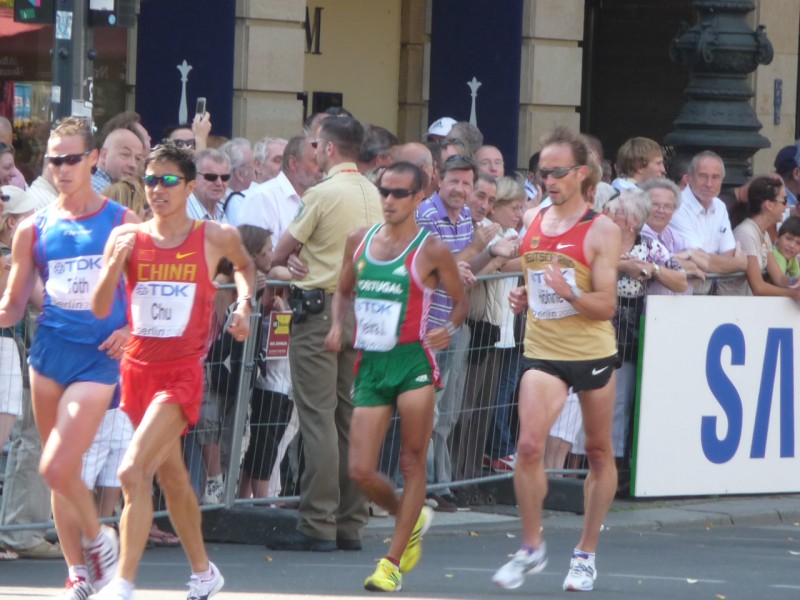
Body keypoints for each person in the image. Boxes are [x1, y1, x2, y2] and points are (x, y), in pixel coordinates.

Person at [89, 141, 255, 599]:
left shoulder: (214, 236)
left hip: (181, 376)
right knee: (174, 478)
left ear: (188, 186)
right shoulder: (127, 237)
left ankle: (122, 582)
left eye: (167, 181)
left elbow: (245, 265)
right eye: (150, 180)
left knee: (131, 470)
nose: (157, 189)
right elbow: (100, 307)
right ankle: (204, 573)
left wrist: (243, 305)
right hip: (136, 373)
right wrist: (114, 264)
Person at [0, 117, 138, 598]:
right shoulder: (33, 228)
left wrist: (130, 328)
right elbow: (13, 306)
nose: (61, 168)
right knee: (62, 471)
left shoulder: (122, 221)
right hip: (48, 355)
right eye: (54, 160)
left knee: (56, 463)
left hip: (99, 358)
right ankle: (78, 571)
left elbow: (147, 287)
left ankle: (99, 539)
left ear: (93, 159)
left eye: (71, 159)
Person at [325, 161, 468, 591]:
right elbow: (343, 291)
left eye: (399, 193)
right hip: (371, 365)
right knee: (360, 470)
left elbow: (460, 301)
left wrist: (449, 329)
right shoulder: (359, 240)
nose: (389, 200)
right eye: (384, 191)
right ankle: (411, 514)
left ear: (419, 197)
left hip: (413, 363)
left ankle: (391, 562)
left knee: (411, 460)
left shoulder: (432, 249)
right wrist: (337, 324)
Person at [491, 126, 620, 593]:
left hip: (591, 353)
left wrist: (570, 293)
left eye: (558, 172)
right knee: (528, 447)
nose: (548, 180)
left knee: (599, 452)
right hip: (543, 351)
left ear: (582, 173)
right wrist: (524, 297)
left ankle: (585, 553)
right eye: (542, 172)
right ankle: (531, 546)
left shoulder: (602, 229)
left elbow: (607, 305)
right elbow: (534, 279)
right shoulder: (532, 219)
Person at [269, 115, 382, 551]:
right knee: (349, 417)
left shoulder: (322, 193)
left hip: (320, 312)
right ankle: (351, 522)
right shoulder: (373, 192)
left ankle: (317, 521)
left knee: (318, 418)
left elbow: (279, 252)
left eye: (316, 144)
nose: (313, 150)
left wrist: (290, 260)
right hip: (363, 312)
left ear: (330, 148)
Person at [604, 190, 686, 468]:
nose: (608, 215)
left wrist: (653, 269)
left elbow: (680, 280)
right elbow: (584, 264)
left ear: (632, 220)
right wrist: (622, 265)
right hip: (593, 323)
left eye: (615, 212)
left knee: (620, 401)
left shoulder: (649, 246)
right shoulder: (600, 240)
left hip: (625, 332)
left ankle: (615, 467)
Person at [667, 151, 747, 294]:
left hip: (707, 293)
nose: (709, 184)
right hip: (676, 294)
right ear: (689, 178)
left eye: (715, 177)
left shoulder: (720, 206)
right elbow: (697, 261)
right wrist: (739, 263)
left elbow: (728, 254)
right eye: (703, 176)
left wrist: (710, 262)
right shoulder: (677, 205)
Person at [728, 176, 800, 297]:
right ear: (769, 205)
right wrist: (793, 294)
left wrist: (795, 281)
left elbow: (779, 278)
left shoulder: (764, 234)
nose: (787, 206)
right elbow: (758, 287)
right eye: (784, 200)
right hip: (732, 304)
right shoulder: (746, 233)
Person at [91, 127, 146, 192]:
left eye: (137, 159)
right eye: (125, 154)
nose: (133, 165)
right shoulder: (103, 192)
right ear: (104, 155)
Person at [772, 216, 800, 282]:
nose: (792, 245)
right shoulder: (776, 255)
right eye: (788, 239)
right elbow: (779, 282)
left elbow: (797, 278)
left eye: (798, 243)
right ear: (777, 237)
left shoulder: (792, 259)